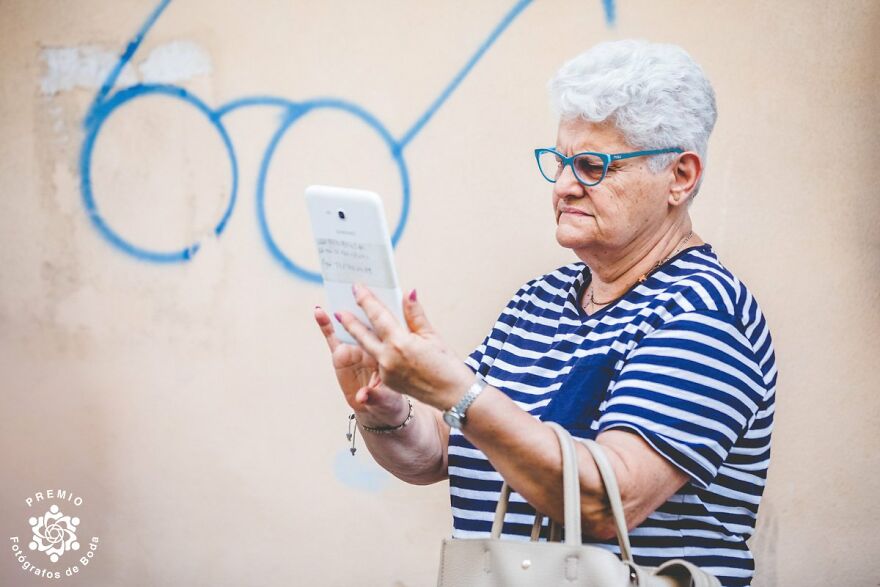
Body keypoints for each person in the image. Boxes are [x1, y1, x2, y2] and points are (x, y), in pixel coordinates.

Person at [313, 39, 776, 587]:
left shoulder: (704, 314)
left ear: (680, 177)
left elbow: (607, 501)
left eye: (592, 166)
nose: (564, 187)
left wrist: (460, 392)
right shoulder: (540, 298)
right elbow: (437, 455)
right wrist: (385, 409)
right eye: (560, 162)